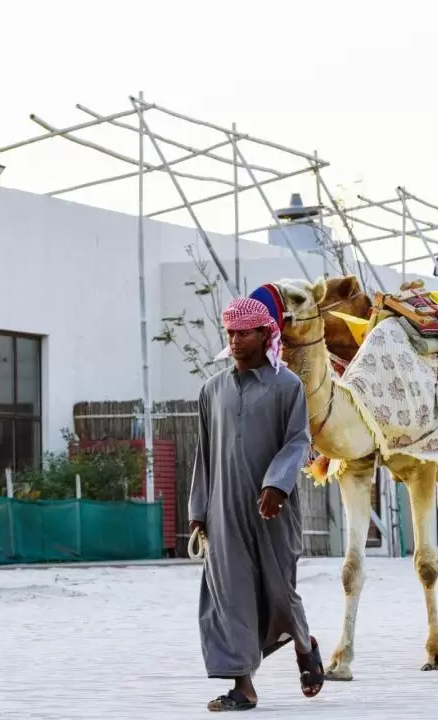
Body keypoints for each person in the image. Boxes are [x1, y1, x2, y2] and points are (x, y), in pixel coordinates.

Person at [189, 296, 325, 712]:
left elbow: (297, 441)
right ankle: (242, 688)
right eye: (230, 332)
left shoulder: (288, 387)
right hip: (223, 512)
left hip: (273, 510)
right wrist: (198, 512)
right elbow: (204, 453)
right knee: (229, 595)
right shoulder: (211, 390)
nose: (235, 340)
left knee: (279, 590)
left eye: (244, 332)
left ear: (266, 334)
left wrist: (277, 486)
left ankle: (304, 644)